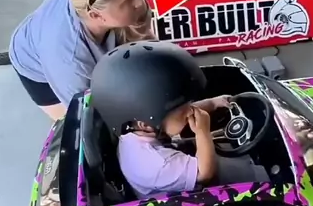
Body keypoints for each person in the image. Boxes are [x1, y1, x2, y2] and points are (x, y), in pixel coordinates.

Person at [91, 41, 270, 197]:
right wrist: (203, 132)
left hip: (177, 163)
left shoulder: (136, 129)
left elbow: (178, 113)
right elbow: (205, 174)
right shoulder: (158, 164)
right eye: (183, 110)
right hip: (193, 198)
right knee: (263, 180)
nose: (191, 110)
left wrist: (213, 103)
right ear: (146, 122)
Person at [9, 0, 155, 120]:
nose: (139, 1)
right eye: (128, 0)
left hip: (52, 29)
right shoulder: (70, 64)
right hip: (33, 61)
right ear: (96, 15)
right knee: (78, 120)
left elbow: (147, 44)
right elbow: (88, 119)